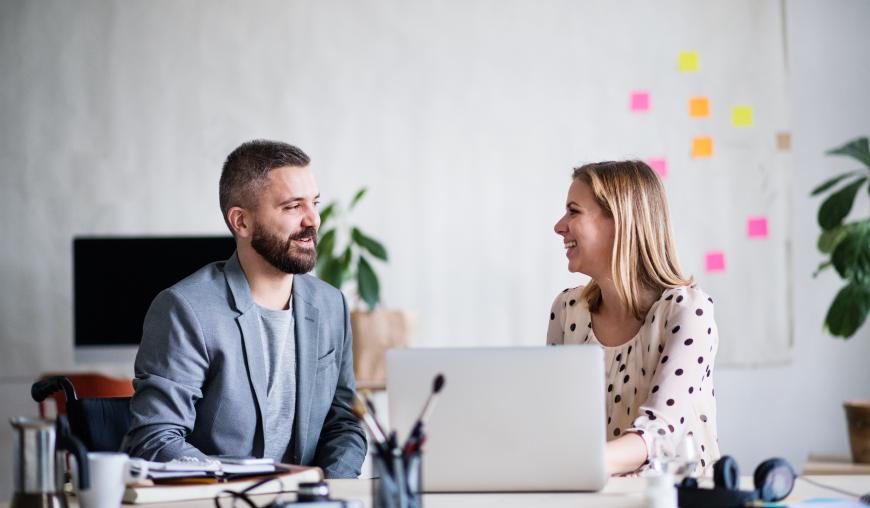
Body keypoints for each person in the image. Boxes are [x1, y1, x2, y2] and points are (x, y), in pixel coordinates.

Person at [123, 140, 366, 478]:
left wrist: (328, 489)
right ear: (241, 222)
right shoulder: (186, 309)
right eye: (293, 206)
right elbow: (155, 439)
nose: (314, 220)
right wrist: (257, 483)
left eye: (315, 203)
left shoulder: (331, 305)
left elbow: (345, 422)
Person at [547, 160, 720, 476]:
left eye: (574, 211)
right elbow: (558, 427)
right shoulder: (567, 310)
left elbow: (658, 434)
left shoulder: (688, 311)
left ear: (619, 222)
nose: (560, 226)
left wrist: (564, 465)